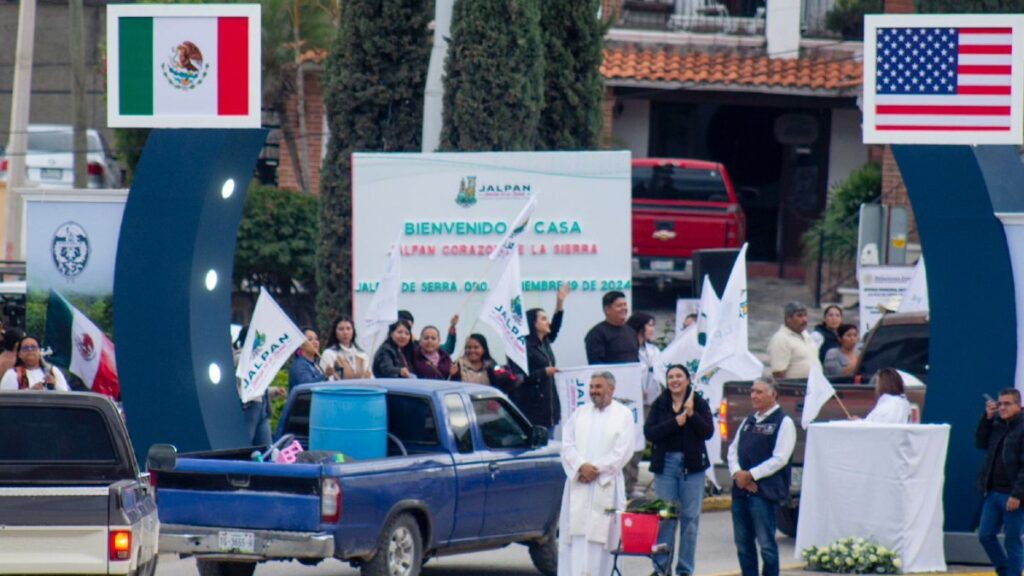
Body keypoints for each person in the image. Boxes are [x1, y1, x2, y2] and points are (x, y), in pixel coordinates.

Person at [557, 371, 635, 576]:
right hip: (579, 484)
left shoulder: (623, 415)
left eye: (598, 387)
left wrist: (596, 469)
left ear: (611, 389)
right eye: (591, 387)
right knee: (575, 539)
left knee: (606, 539)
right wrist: (581, 467)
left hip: (606, 484)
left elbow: (622, 451)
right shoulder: (579, 413)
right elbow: (567, 445)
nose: (593, 391)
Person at [644, 364, 714, 576]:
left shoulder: (698, 402)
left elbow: (708, 432)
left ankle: (685, 570)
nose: (674, 380)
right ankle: (661, 568)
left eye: (679, 376)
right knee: (665, 517)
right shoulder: (661, 403)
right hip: (666, 466)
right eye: (671, 377)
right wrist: (676, 421)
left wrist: (692, 415)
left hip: (692, 467)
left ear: (687, 380)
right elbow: (651, 432)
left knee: (690, 520)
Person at [728, 376, 796, 576]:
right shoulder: (749, 421)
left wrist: (752, 475)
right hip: (741, 491)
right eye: (752, 391)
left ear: (773, 394)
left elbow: (780, 458)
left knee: (766, 545)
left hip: (765, 493)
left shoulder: (784, 422)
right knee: (743, 543)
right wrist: (738, 474)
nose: (753, 396)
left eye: (759, 392)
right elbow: (733, 450)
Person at [976, 388, 1024, 576]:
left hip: (1012, 495)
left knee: (1012, 541)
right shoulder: (997, 424)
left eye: (1007, 404)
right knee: (985, 535)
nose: (1002, 407)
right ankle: (1005, 571)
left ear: (1018, 406)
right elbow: (980, 442)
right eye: (1000, 403)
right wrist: (987, 418)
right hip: (993, 491)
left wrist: (1017, 494)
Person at [513, 284, 569, 428]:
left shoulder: (544, 342)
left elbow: (554, 328)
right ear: (533, 323)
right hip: (532, 410)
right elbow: (518, 377)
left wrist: (560, 303)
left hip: (549, 408)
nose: (548, 322)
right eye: (543, 319)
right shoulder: (523, 347)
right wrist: (544, 372)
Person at [625, 311, 663, 498]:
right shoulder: (631, 350)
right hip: (633, 402)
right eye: (649, 325)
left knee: (640, 443)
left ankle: (631, 484)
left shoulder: (652, 350)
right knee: (629, 443)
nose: (652, 329)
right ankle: (625, 484)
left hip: (650, 402)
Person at [767, 302, 820, 379]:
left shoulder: (807, 335)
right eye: (800, 316)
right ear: (788, 319)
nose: (804, 320)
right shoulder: (781, 338)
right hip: (796, 388)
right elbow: (778, 373)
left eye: (805, 315)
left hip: (814, 385)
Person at [452, 333, 521, 393]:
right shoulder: (457, 365)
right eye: (468, 347)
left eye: (476, 347)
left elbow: (504, 379)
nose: (472, 350)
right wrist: (453, 375)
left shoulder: (492, 365)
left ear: (484, 349)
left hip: (487, 406)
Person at [584, 290, 638, 364]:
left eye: (625, 305)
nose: (624, 308)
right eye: (619, 306)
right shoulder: (596, 334)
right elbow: (596, 365)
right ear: (607, 310)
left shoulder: (631, 331)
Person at [0, 335, 70, 391]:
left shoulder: (52, 371)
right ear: (19, 354)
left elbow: (66, 397)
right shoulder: (12, 374)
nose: (30, 350)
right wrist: (31, 392)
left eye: (33, 347)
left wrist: (55, 384)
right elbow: (7, 400)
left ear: (39, 351)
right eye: (25, 348)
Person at [321, 315, 371, 380]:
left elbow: (370, 379)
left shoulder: (362, 355)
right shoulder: (329, 354)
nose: (345, 332)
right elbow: (325, 380)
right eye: (341, 329)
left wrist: (367, 378)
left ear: (353, 331)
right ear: (335, 332)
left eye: (348, 328)